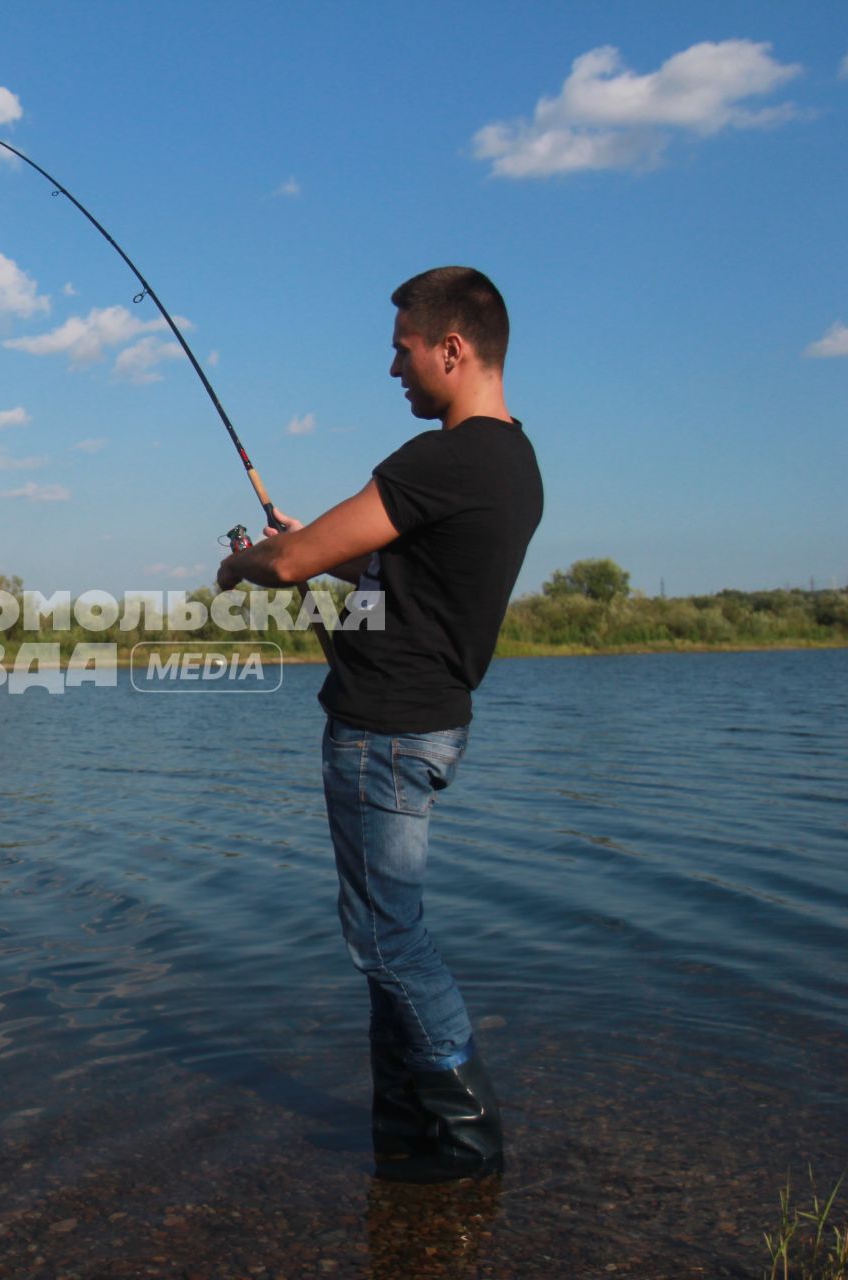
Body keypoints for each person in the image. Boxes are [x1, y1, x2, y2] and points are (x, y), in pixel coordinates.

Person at [216, 266, 543, 1182]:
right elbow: (393, 600)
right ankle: (406, 1128)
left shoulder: (442, 460)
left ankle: (469, 1128)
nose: (393, 370)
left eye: (402, 351)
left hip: (384, 732)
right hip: (426, 721)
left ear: (453, 348)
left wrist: (251, 563)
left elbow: (286, 571)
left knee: (384, 938)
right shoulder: (510, 461)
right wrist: (304, 551)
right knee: (385, 935)